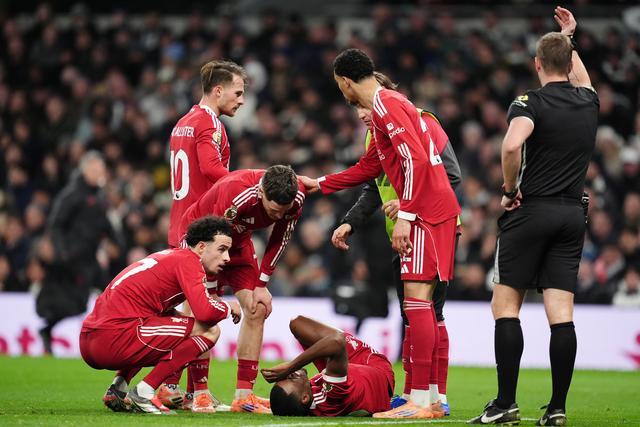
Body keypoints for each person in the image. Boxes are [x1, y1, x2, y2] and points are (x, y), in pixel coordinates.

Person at [300, 48, 461, 418]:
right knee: (421, 306)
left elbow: (415, 160)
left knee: (418, 302)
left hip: (426, 213)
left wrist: (406, 214)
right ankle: (430, 399)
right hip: (433, 211)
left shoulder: (386, 104)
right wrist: (321, 183)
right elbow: (370, 168)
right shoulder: (388, 108)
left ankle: (420, 401)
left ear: (345, 81)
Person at [468, 7, 598, 426]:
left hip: (532, 210)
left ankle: (506, 403)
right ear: (569, 61)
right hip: (572, 214)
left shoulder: (529, 102)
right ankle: (557, 408)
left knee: (506, 306)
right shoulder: (589, 100)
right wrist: (569, 37)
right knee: (561, 313)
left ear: (537, 64)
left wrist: (509, 190)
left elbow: (511, 145)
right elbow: (579, 74)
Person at [80, 216, 242, 414]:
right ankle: (144, 391)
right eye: (222, 249)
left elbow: (154, 308)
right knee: (209, 331)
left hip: (90, 340)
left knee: (165, 324)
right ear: (201, 247)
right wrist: (228, 307)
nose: (227, 258)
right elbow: (205, 313)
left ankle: (118, 388)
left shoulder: (169, 256)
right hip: (114, 339)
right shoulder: (189, 261)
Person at [178, 165, 306, 414]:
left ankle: (244, 396)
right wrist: (211, 291)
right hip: (202, 244)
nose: (278, 216)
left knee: (258, 308)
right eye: (273, 210)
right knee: (202, 312)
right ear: (260, 192)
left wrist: (262, 285)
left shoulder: (296, 198)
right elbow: (212, 241)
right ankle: (200, 393)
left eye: (284, 210)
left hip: (238, 244)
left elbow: (280, 238)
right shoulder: (235, 193)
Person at [162, 59, 246, 409]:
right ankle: (188, 391)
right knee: (203, 315)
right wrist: (246, 184)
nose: (242, 100)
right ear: (218, 90)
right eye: (237, 93)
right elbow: (212, 170)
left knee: (189, 314)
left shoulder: (183, 123)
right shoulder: (209, 124)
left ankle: (186, 390)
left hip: (179, 226)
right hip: (201, 232)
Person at [36, 151, 118, 355]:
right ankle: (47, 329)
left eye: (101, 170)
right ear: (85, 170)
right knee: (78, 304)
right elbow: (55, 225)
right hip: (74, 260)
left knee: (113, 293)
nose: (99, 174)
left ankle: (114, 340)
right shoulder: (72, 194)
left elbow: (106, 224)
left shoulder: (99, 196)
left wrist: (116, 243)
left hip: (91, 259)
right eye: (95, 169)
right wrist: (63, 253)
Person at [261, 315, 395, 417]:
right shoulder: (332, 396)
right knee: (315, 333)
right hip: (377, 371)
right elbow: (337, 340)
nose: (289, 374)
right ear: (304, 398)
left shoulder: (310, 395)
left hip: (351, 375)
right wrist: (290, 366)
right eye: (291, 378)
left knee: (296, 323)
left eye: (285, 377)